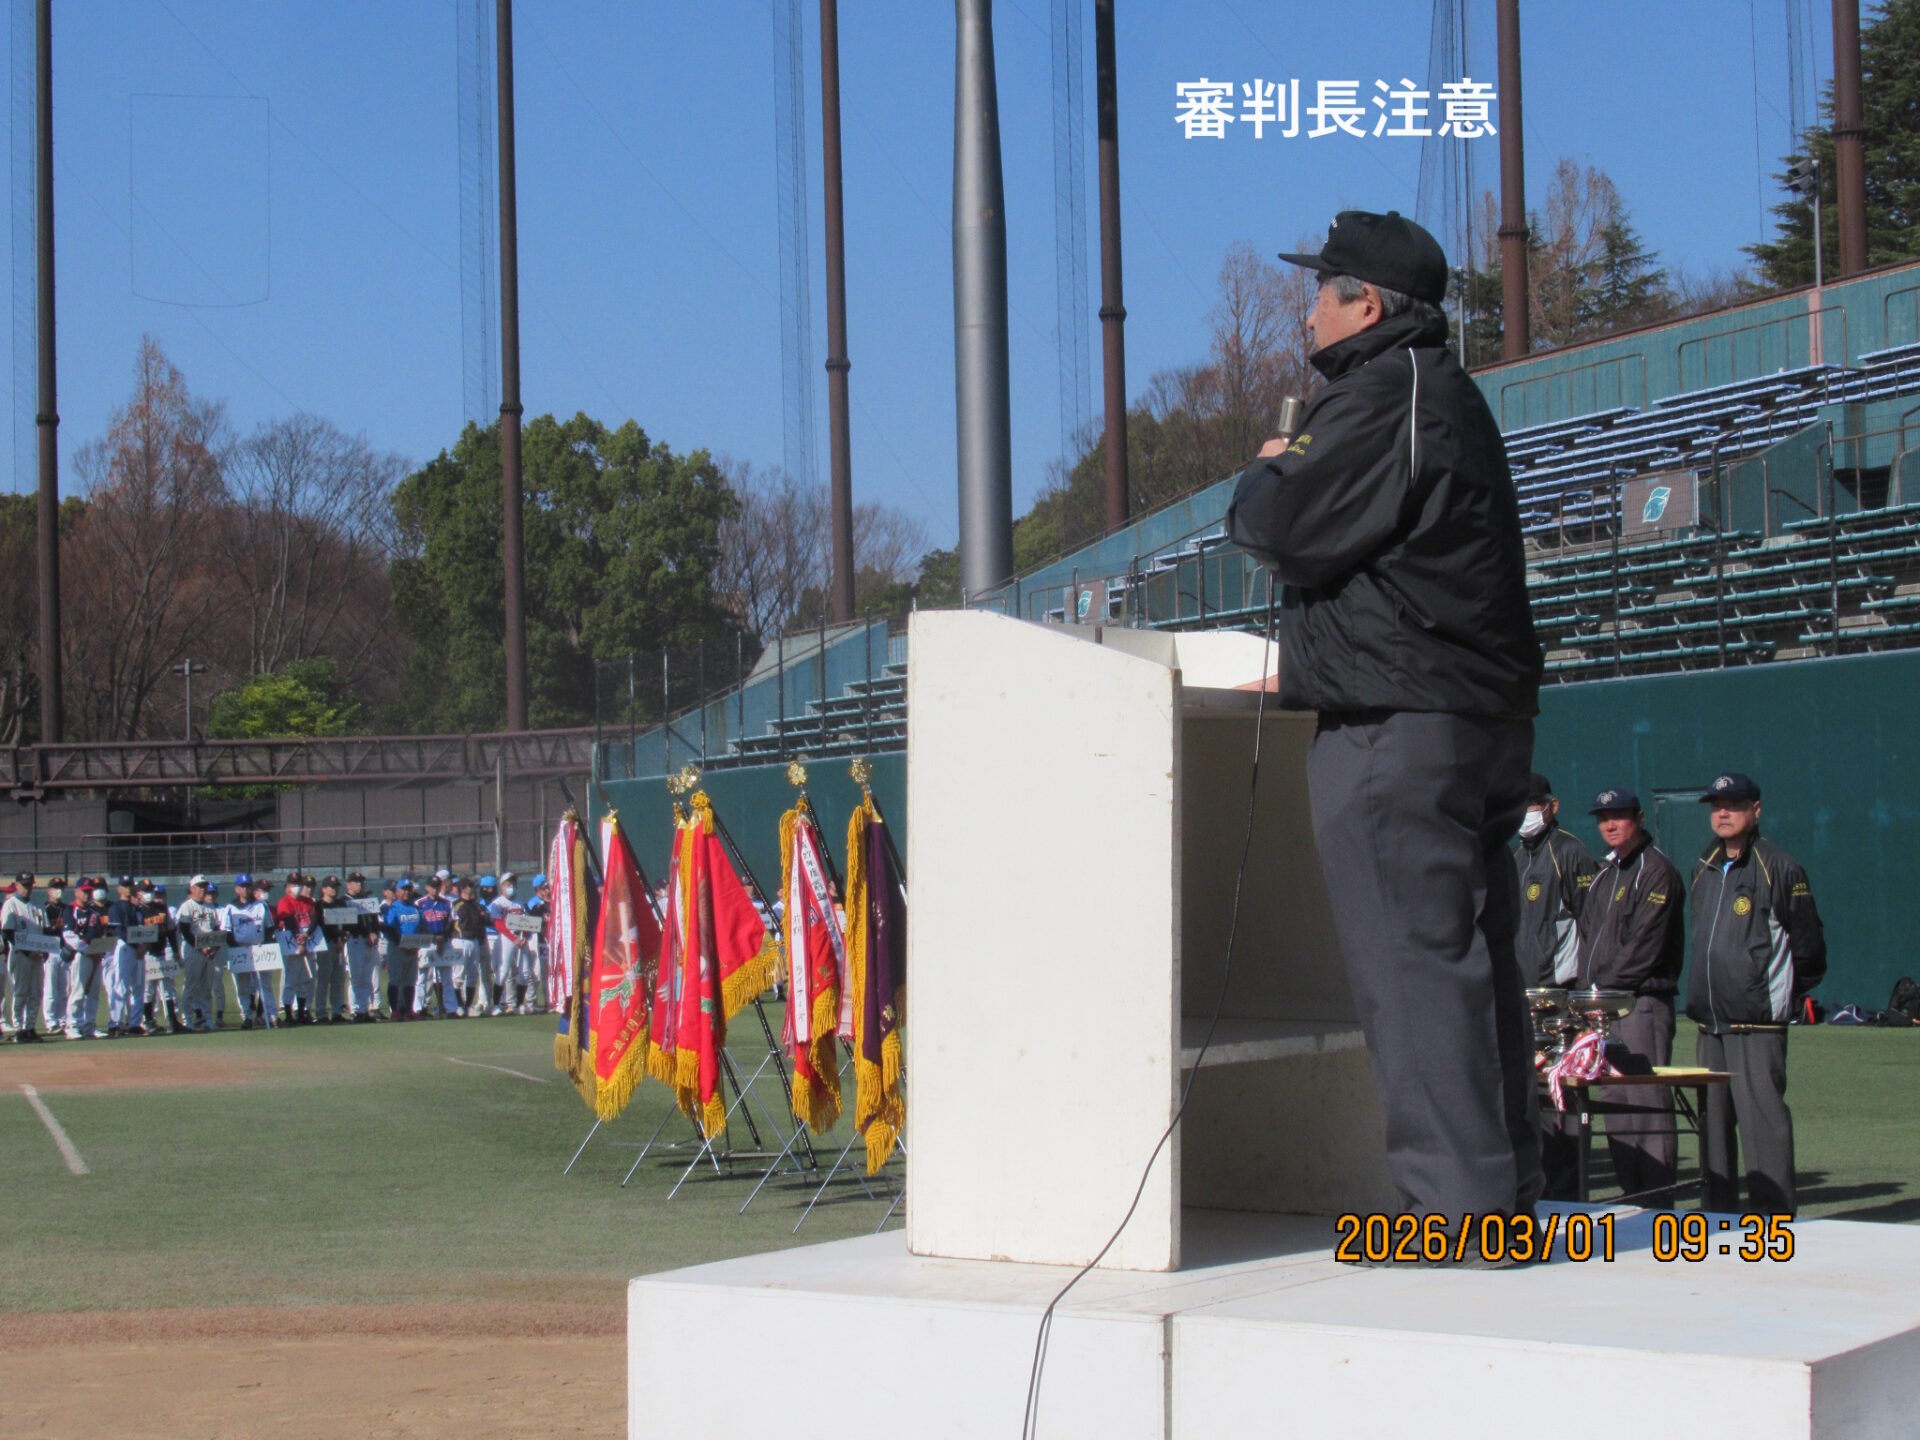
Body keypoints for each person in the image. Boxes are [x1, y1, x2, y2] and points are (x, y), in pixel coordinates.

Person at [1223, 210, 1544, 1235]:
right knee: (1470, 964)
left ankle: (1453, 1214)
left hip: (1399, 720)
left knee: (1413, 970)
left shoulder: (1379, 391)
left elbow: (1276, 522)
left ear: (1366, 305)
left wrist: (1275, 461)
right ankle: (1501, 1197)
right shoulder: (1446, 390)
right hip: (1470, 714)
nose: (1307, 313)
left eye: (1322, 293)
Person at [1686, 772, 1825, 1216]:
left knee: (1763, 1126)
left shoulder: (1778, 866)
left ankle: (1773, 1221)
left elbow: (1809, 947)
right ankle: (1717, 1218)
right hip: (1709, 1023)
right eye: (1716, 806)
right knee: (1713, 1130)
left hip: (1756, 1022)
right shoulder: (1704, 865)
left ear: (1756, 810)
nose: (1723, 813)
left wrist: (1774, 996)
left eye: (1734, 805)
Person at [1576, 788, 1685, 1207]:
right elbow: (1587, 941)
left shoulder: (1656, 871)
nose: (1610, 824)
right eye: (1603, 817)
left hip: (1640, 1004)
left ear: (1639, 818)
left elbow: (1645, 947)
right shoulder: (1605, 874)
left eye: (1618, 816)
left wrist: (1600, 991)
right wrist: (1588, 1000)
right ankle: (1630, 1193)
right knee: (1615, 1101)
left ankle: (1657, 1198)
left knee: (1646, 1100)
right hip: (1603, 1010)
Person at [223, 873, 277, 1030]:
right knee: (243, 986)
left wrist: (266, 944)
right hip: (240, 950)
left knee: (264, 985)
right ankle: (247, 1016)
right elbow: (227, 932)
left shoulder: (261, 905)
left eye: (248, 886)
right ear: (237, 889)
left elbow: (270, 927)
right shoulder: (231, 907)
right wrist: (235, 947)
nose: (245, 889)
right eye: (242, 887)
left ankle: (271, 1016)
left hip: (260, 950)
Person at [174, 876, 225, 1033]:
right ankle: (188, 1019)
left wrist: (214, 948)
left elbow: (216, 929)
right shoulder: (187, 907)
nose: (203, 889)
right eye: (199, 886)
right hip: (193, 950)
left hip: (209, 951)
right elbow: (185, 932)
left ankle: (207, 1018)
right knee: (191, 985)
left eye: (204, 886)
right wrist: (200, 948)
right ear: (192, 888)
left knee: (207, 987)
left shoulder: (210, 908)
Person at [2, 872, 49, 1042]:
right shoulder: (11, 905)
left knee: (36, 992)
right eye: (24, 885)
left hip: (37, 954)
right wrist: (29, 952)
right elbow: (8, 933)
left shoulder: (38, 904)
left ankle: (30, 1027)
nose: (27, 888)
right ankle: (19, 1029)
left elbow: (45, 930)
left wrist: (45, 950)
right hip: (20, 954)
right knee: (20, 992)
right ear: (16, 885)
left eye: (29, 884)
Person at [138, 882, 184, 1034]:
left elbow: (170, 931)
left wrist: (175, 950)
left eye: (150, 890)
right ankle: (148, 1021)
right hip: (147, 955)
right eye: (146, 891)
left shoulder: (162, 908)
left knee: (168, 988)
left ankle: (172, 1021)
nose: (149, 893)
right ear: (139, 893)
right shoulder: (139, 911)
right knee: (148, 990)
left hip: (162, 952)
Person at [275, 874, 320, 1025]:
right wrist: (298, 940)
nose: (296, 887)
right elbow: (288, 921)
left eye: (298, 883)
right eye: (293, 884)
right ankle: (288, 1015)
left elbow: (315, 919)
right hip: (292, 945)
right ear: (287, 886)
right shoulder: (284, 901)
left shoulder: (308, 902)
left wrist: (307, 934)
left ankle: (301, 1013)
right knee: (291, 980)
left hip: (308, 943)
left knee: (305, 980)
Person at [106, 877, 148, 1037]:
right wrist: (137, 946)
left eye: (130, 885)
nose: (128, 888)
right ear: (119, 889)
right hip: (124, 947)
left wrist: (144, 945)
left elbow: (144, 928)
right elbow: (119, 931)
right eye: (125, 885)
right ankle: (114, 1023)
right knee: (121, 986)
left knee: (139, 987)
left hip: (139, 948)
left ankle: (134, 1023)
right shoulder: (115, 908)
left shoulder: (136, 908)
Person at [340, 873, 382, 1022]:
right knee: (356, 978)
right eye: (356, 882)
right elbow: (349, 924)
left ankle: (364, 1010)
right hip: (355, 940)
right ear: (348, 884)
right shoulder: (344, 901)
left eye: (361, 882)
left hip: (370, 943)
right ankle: (355, 1010)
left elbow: (375, 921)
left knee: (367, 978)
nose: (359, 884)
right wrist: (367, 933)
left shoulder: (368, 900)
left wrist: (375, 933)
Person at [488, 871, 531, 1015]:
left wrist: (524, 936)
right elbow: (498, 924)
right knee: (503, 971)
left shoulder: (521, 902)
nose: (510, 886)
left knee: (525, 971)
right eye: (507, 884)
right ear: (501, 886)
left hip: (522, 938)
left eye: (512, 884)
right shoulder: (498, 903)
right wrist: (513, 938)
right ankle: (496, 1005)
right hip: (506, 937)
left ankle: (519, 1004)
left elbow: (528, 922)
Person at [382, 879, 425, 1020]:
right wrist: (403, 945)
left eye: (409, 889)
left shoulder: (415, 907)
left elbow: (422, 927)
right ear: (397, 891)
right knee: (395, 979)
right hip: (397, 947)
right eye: (404, 889)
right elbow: (388, 929)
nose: (407, 892)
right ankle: (395, 1010)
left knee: (410, 981)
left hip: (413, 947)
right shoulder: (393, 908)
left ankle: (408, 1010)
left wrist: (416, 945)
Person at [415, 875, 456, 1017]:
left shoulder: (447, 902)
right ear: (427, 887)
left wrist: (443, 938)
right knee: (421, 977)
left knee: (447, 977)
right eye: (432, 886)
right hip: (426, 942)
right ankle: (418, 1009)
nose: (435, 889)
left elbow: (451, 922)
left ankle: (451, 1009)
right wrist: (433, 938)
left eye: (437, 886)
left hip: (444, 941)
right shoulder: (420, 903)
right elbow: (419, 924)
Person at [450, 878, 490, 1018]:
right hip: (460, 941)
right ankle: (458, 1005)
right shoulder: (456, 904)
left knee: (473, 976)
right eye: (470, 886)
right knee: (458, 976)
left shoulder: (476, 905)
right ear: (462, 888)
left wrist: (484, 917)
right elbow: (453, 923)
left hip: (474, 941)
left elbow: (484, 921)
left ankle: (468, 1006)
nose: (472, 888)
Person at [313, 876, 352, 1023]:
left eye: (335, 886)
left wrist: (345, 935)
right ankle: (321, 1013)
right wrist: (338, 935)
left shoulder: (341, 904)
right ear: (323, 889)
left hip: (339, 945)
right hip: (325, 945)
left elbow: (348, 923)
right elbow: (321, 926)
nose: (334, 889)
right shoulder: (319, 905)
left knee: (338, 980)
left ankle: (337, 1012)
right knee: (324, 980)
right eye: (331, 886)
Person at [40, 878, 70, 1038]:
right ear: (48, 890)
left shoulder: (66, 909)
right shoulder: (44, 908)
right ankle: (51, 1022)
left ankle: (62, 1019)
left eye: (61, 888)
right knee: (50, 989)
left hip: (64, 951)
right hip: (50, 950)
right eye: (55, 887)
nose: (59, 891)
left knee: (64, 989)